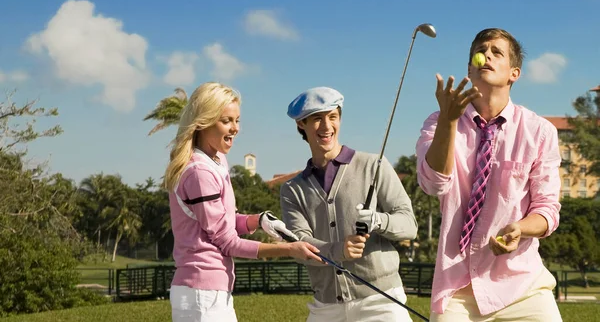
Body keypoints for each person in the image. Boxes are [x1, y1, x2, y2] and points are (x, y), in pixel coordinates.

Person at [415, 28, 563, 321]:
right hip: (456, 283)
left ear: (514, 73)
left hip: (522, 282)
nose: (487, 56)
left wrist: (520, 228)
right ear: (470, 67)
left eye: (498, 52)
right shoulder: (438, 121)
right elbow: (433, 184)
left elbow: (547, 208)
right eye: (481, 51)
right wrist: (448, 121)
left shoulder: (539, 131)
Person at [165, 82, 322, 322]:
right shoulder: (200, 172)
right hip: (201, 293)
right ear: (204, 121)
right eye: (226, 120)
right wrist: (289, 249)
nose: (235, 128)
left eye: (237, 120)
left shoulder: (216, 161)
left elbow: (225, 223)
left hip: (212, 292)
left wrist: (258, 221)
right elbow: (227, 242)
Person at [279, 86, 418, 322]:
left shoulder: (374, 165)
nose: (326, 126)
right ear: (301, 124)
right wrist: (339, 251)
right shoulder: (292, 189)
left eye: (332, 117)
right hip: (326, 306)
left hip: (381, 301)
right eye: (317, 119)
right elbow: (299, 244)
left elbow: (409, 225)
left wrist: (378, 220)